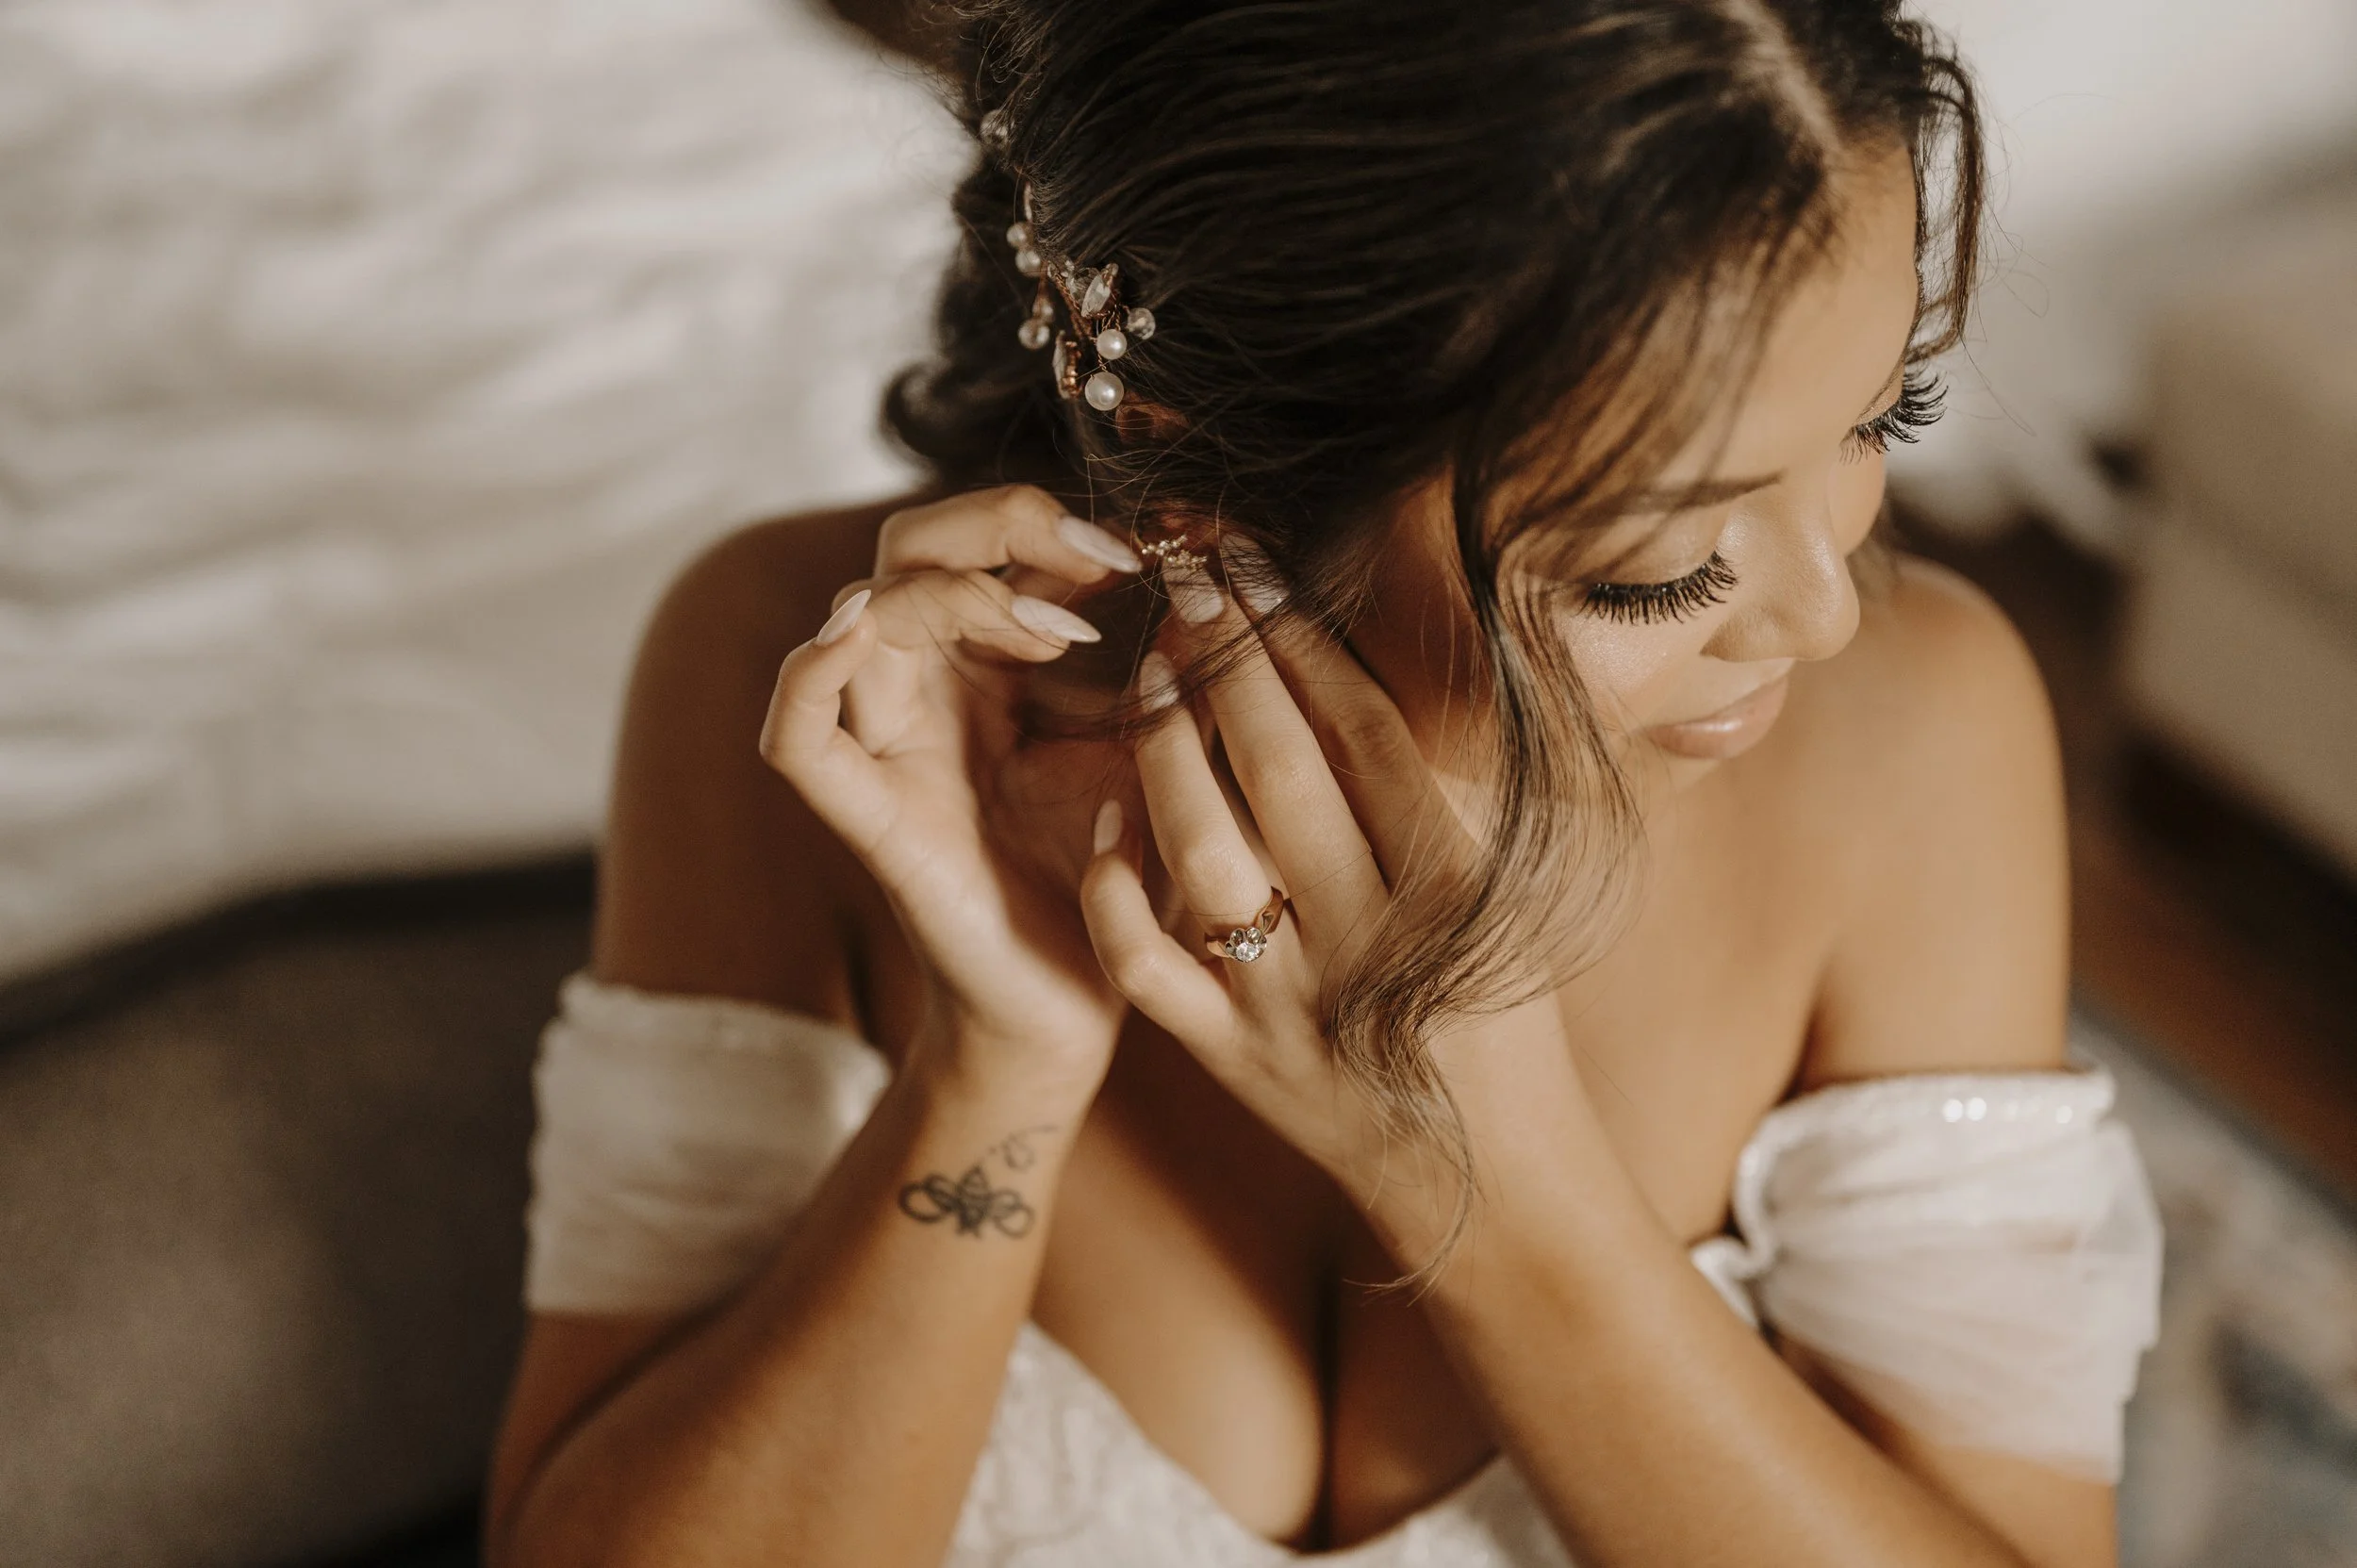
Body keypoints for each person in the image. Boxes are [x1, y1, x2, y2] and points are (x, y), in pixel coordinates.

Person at [483, 1, 2163, 1563]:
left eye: (1885, 418)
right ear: (1184, 461)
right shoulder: (809, 694)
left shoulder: (1919, 736)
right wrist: (996, 1061)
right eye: (1658, 568)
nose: (1820, 605)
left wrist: (1488, 1173)